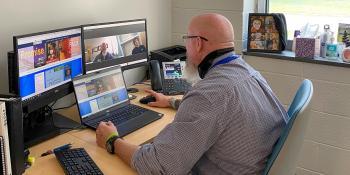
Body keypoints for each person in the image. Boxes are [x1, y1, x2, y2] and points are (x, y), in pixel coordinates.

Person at [96, 13, 287, 175]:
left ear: (197, 44)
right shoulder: (248, 72)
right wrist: (172, 102)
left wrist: (112, 140)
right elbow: (222, 111)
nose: (186, 48)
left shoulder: (209, 95)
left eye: (186, 40)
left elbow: (159, 166)